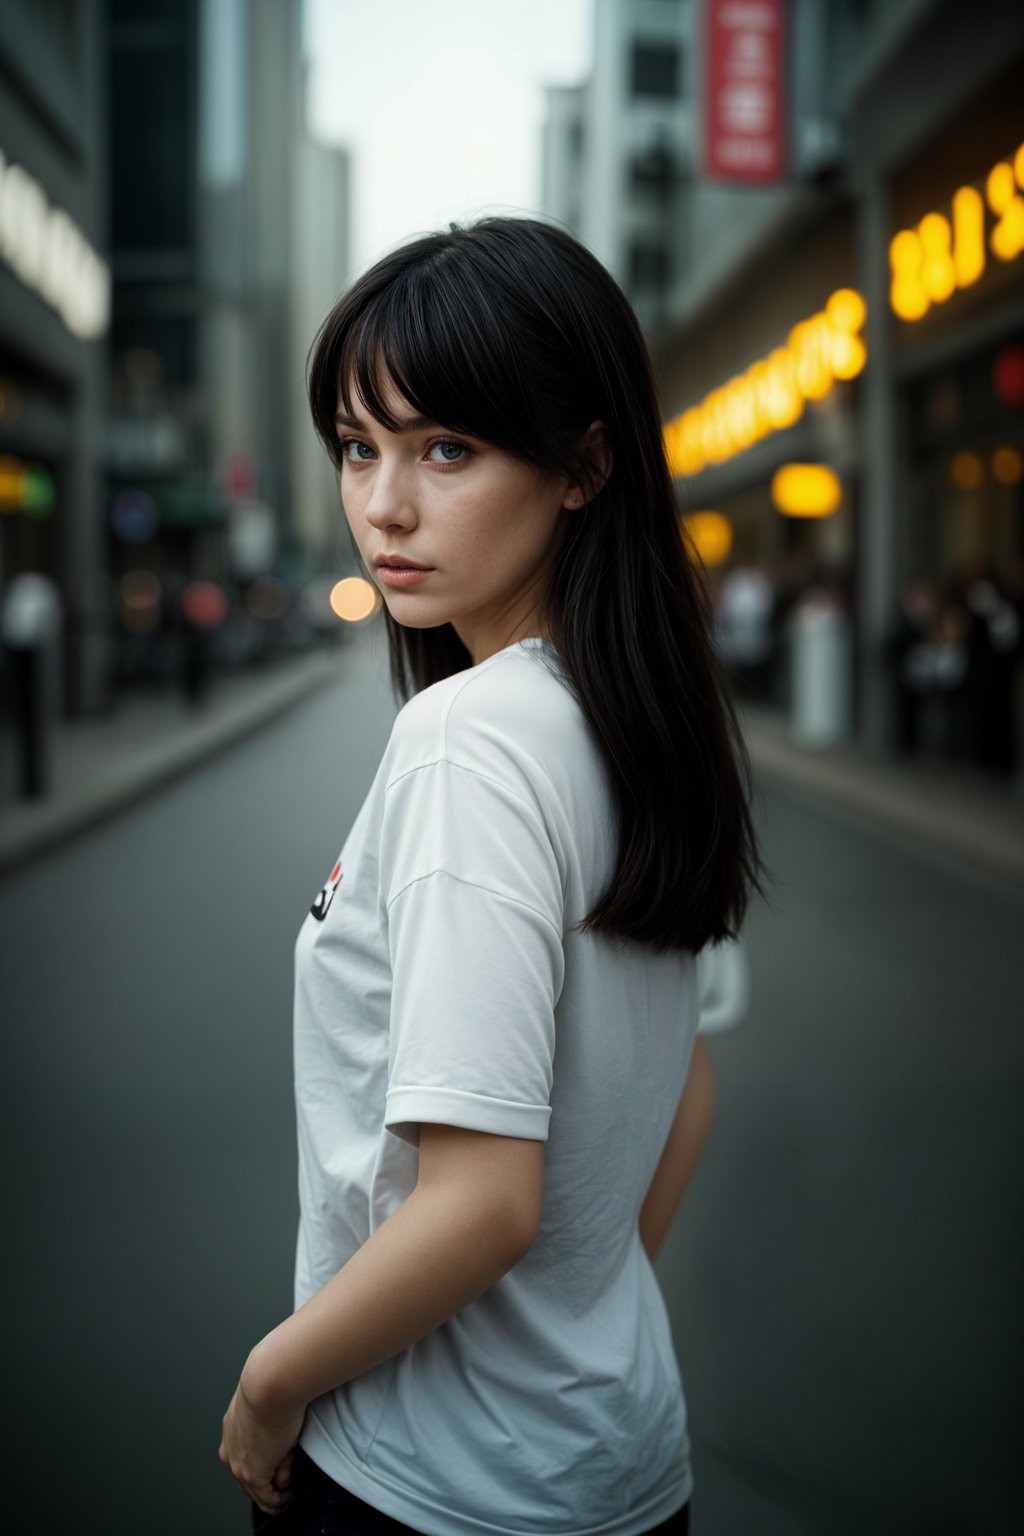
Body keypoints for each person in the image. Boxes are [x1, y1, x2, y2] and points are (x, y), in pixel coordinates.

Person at [219, 217, 765, 1535]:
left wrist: (270, 1387)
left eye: (445, 448)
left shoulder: (470, 738)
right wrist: (577, 1316)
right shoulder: (636, 717)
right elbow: (683, 1085)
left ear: (584, 465)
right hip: (615, 1466)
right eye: (361, 447)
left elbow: (483, 1205)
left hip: (426, 1489)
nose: (382, 503)